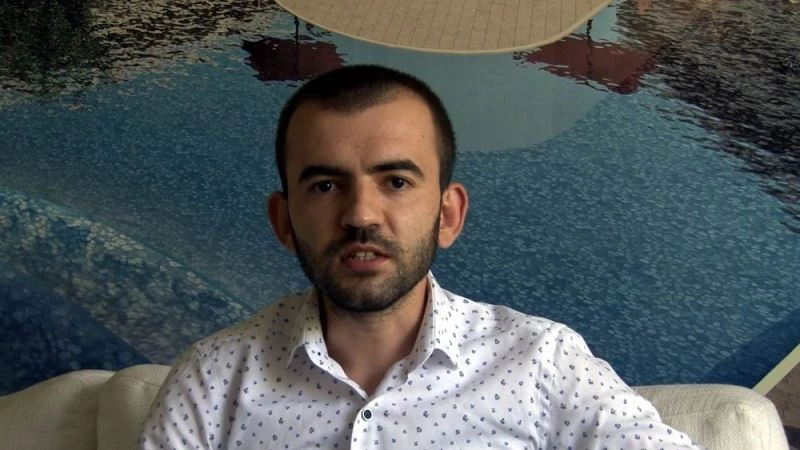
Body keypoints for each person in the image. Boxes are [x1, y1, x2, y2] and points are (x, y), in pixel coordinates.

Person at [139, 65, 700, 449]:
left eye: (396, 182)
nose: (361, 215)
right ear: (284, 221)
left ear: (448, 214)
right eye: (326, 186)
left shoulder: (541, 363)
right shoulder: (213, 381)